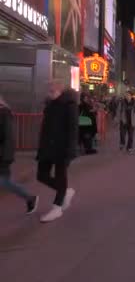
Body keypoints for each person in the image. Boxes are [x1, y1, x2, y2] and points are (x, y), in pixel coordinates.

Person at [36, 80, 79, 223]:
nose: (50, 90)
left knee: (61, 176)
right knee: (41, 175)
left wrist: (70, 150)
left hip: (62, 147)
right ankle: (65, 191)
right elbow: (45, 128)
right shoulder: (49, 104)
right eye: (49, 88)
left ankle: (57, 207)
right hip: (47, 146)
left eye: (53, 88)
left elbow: (73, 129)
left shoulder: (70, 105)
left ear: (61, 89)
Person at [0, 95, 38, 214]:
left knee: (4, 181)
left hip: (3, 154)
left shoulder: (4, 113)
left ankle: (30, 198)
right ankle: (30, 198)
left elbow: (9, 137)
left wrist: (6, 156)